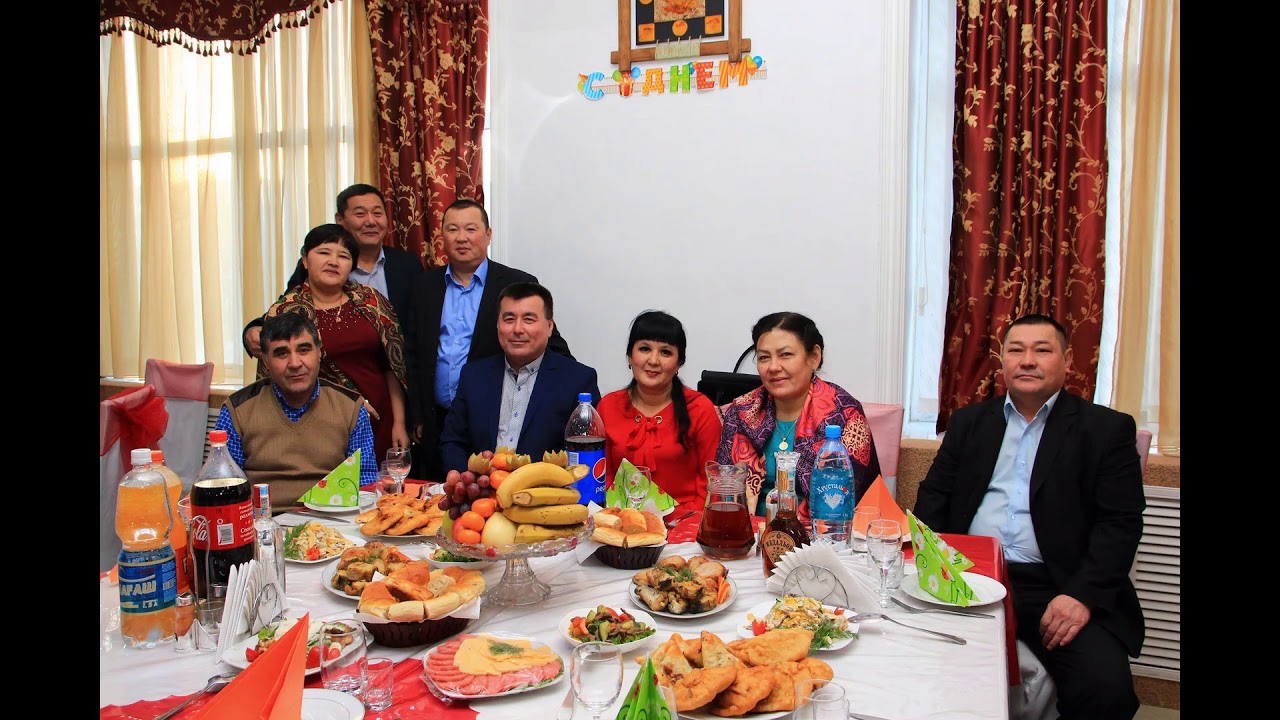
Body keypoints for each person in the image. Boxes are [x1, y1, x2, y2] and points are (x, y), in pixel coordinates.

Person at [913, 314, 1145, 720]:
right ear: (1001, 360)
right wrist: (931, 567)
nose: (1027, 360)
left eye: (1042, 350)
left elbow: (1120, 524)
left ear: (1068, 360)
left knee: (1105, 690)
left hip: (1058, 584)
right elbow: (934, 501)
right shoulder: (969, 422)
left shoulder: (1105, 430)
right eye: (1016, 350)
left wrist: (1081, 596)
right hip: (970, 574)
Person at [405, 198, 572, 479]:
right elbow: (413, 353)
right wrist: (417, 414)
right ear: (441, 236)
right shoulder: (424, 286)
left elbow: (546, 341)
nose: (461, 238)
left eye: (470, 229)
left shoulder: (514, 283)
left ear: (488, 234)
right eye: (452, 229)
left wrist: (569, 385)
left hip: (491, 417)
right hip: (437, 420)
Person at [259, 223, 409, 460]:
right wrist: (350, 402)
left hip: (381, 421)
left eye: (343, 256)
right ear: (305, 259)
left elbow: (392, 367)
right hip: (320, 424)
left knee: (382, 493)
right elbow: (279, 378)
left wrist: (399, 422)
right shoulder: (286, 312)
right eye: (324, 252)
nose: (333, 261)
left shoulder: (371, 301)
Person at [715, 312, 880, 517]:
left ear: (814, 357)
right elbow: (722, 490)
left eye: (786, 355)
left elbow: (851, 501)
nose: (774, 367)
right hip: (747, 533)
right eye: (764, 357)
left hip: (823, 536)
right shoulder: (741, 412)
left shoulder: (845, 414)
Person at [215, 312, 377, 511]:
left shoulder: (351, 407)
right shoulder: (237, 410)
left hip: (333, 525)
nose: (295, 363)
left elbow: (365, 485)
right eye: (282, 353)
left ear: (319, 353)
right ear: (265, 361)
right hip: (262, 525)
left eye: (304, 350)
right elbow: (224, 490)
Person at [242, 183, 424, 358]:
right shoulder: (321, 266)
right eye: (360, 214)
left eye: (377, 213)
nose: (370, 221)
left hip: (394, 372)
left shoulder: (407, 264)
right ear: (340, 220)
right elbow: (289, 306)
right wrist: (254, 328)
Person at [439, 282, 598, 473]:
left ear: (549, 327)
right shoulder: (473, 376)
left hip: (544, 496)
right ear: (497, 325)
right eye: (509, 319)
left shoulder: (578, 380)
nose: (517, 329)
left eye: (529, 320)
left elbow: (585, 456)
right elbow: (452, 442)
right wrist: (467, 478)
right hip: (480, 494)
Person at [598, 311, 721, 511]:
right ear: (630, 356)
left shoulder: (700, 409)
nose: (654, 360)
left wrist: (680, 525)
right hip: (620, 519)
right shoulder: (608, 406)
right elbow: (604, 477)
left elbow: (711, 484)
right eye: (645, 348)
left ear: (679, 363)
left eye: (665, 352)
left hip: (685, 524)